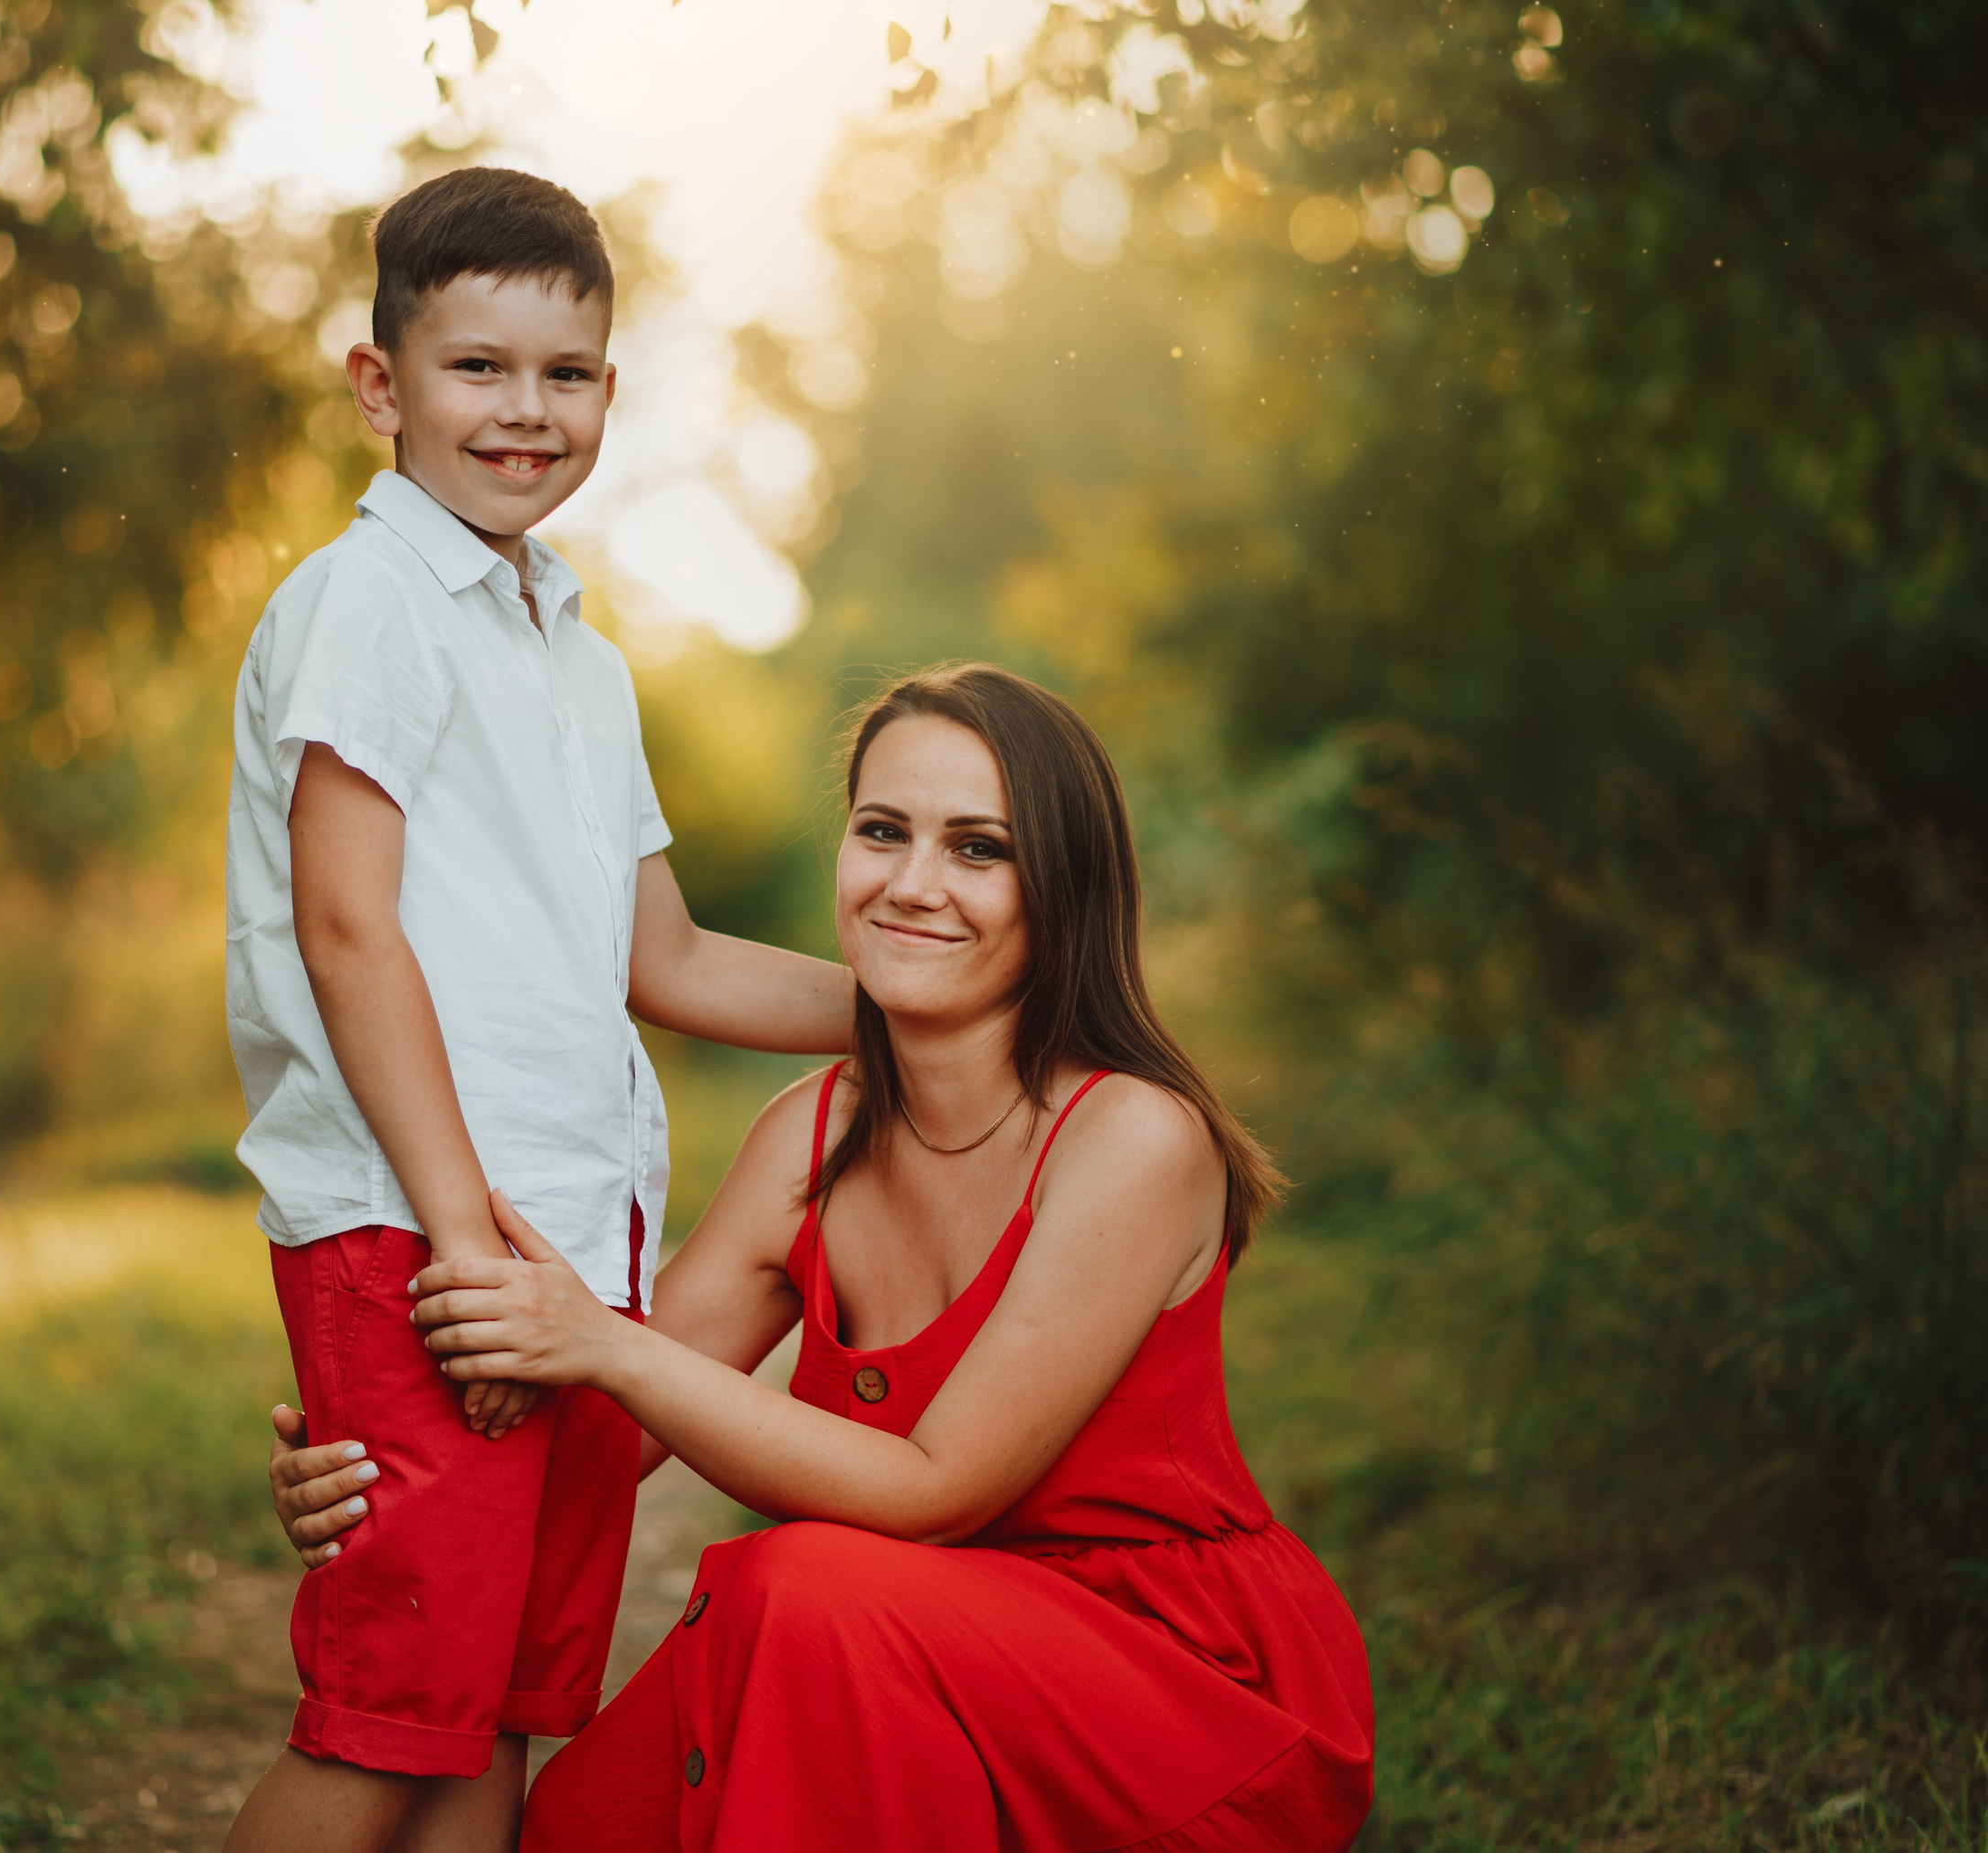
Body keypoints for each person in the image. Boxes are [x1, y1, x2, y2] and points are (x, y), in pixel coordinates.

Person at [270, 664, 1376, 1851]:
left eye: (979, 850)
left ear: (1067, 886)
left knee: (795, 1588)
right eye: (883, 831)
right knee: (576, 1829)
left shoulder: (1135, 1138)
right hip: (886, 1652)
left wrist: (603, 1343)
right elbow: (599, 1444)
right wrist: (390, 1465)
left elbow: (938, 1491)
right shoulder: (812, 1134)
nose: (912, 883)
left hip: (1170, 1684)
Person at [220, 166, 851, 1853]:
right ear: (381, 386)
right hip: (430, 1235)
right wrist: (462, 1247)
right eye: (477, 367)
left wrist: (927, 1006)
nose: (525, 410)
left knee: (498, 1706)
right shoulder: (367, 602)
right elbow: (347, 928)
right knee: (388, 1719)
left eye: (564, 374)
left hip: (570, 1249)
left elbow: (673, 960)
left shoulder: (579, 656)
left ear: (609, 393)